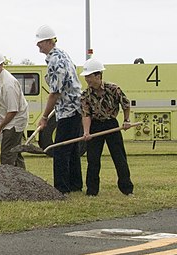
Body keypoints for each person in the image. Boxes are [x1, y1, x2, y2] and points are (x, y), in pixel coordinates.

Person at [36, 25, 83, 193]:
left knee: (61, 149)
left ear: (49, 41)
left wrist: (44, 117)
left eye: (40, 42)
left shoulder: (55, 61)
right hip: (75, 108)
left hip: (68, 110)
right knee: (72, 148)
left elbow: (54, 93)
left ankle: (62, 188)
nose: (38, 46)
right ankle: (75, 184)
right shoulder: (63, 55)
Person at [80, 58, 135, 196]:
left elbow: (126, 105)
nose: (87, 80)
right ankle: (92, 191)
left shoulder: (113, 89)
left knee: (119, 158)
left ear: (98, 76)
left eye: (89, 76)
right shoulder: (85, 94)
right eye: (86, 77)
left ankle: (127, 189)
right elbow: (86, 114)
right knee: (93, 160)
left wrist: (127, 120)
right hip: (95, 126)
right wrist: (86, 132)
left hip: (111, 125)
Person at [0, 50, 29, 168]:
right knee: (16, 152)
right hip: (7, 120)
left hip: (14, 122)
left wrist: (0, 126)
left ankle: (9, 182)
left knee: (7, 155)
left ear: (1, 65)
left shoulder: (8, 84)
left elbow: (13, 110)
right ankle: (24, 181)